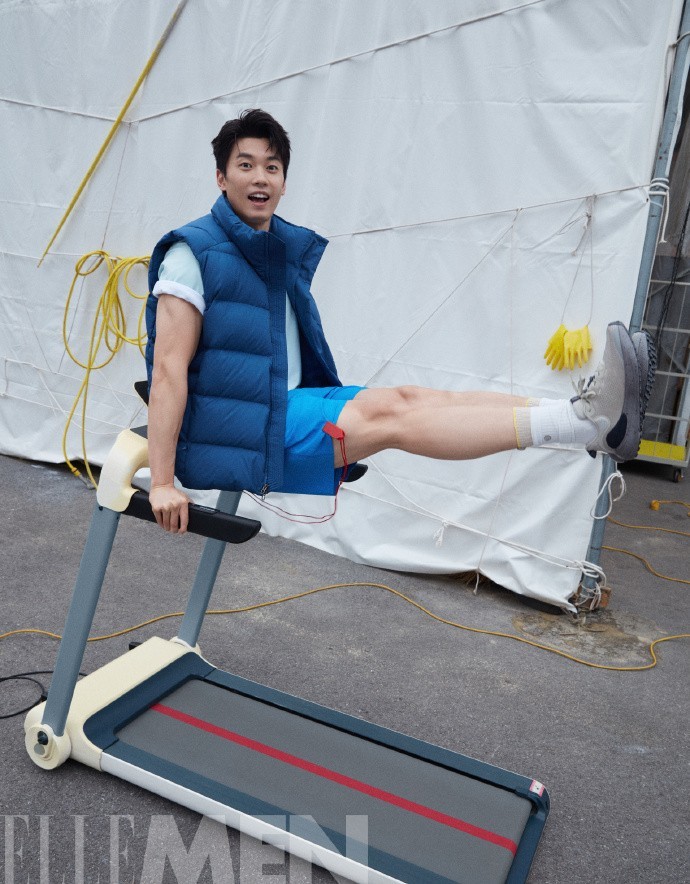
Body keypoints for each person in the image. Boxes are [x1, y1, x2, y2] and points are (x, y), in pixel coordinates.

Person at [145, 109, 654, 534]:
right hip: (236, 432)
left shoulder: (269, 247)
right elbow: (167, 371)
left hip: (281, 403)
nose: (260, 177)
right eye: (246, 165)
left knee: (416, 397)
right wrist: (163, 482)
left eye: (272, 167)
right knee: (393, 416)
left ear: (283, 182)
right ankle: (585, 423)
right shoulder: (193, 254)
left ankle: (583, 420)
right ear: (221, 177)